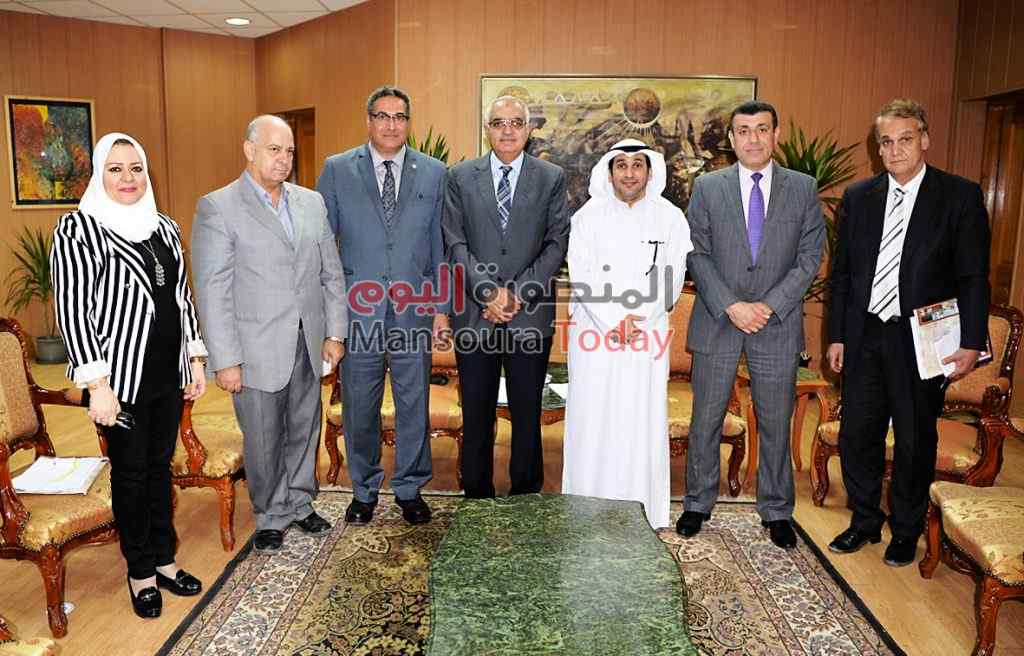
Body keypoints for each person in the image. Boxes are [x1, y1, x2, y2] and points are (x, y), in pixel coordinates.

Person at [825, 99, 991, 567]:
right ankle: (864, 521)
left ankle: (905, 528)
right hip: (865, 335)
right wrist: (837, 336)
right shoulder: (859, 197)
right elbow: (843, 275)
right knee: (858, 434)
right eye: (886, 142)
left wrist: (971, 342)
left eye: (905, 139)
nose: (895, 150)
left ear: (925, 140)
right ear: (877, 148)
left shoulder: (959, 196)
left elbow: (973, 277)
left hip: (921, 339)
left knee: (915, 439)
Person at [51, 132, 207, 619]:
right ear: (99, 174)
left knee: (160, 469)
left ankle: (164, 558)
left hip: (166, 374)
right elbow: (74, 310)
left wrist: (194, 358)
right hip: (118, 382)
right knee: (132, 474)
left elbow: (181, 298)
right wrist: (97, 385)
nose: (128, 178)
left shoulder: (164, 226)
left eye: (136, 168)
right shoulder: (79, 230)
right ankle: (140, 570)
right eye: (115, 169)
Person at [192, 115, 348, 554]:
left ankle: (300, 502)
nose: (283, 159)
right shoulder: (219, 207)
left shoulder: (311, 202)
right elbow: (213, 289)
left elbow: (331, 274)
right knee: (263, 436)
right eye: (274, 149)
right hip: (254, 348)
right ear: (249, 150)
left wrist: (335, 333)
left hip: (308, 341)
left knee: (304, 426)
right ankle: (271, 513)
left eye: (289, 151)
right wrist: (226, 359)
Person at [678, 101, 824, 549]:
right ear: (732, 139)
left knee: (776, 421)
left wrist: (769, 305)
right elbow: (695, 251)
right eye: (744, 131)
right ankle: (697, 503)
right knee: (706, 419)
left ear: (776, 135)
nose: (753, 139)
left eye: (762, 129)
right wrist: (732, 306)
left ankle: (777, 510)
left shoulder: (803, 187)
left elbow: (809, 258)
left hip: (776, 324)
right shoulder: (708, 187)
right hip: (718, 320)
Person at [316, 86, 448, 526]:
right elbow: (323, 247)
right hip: (358, 312)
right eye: (382, 116)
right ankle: (364, 489)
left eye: (399, 117)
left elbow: (440, 246)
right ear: (368, 120)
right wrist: (331, 318)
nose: (391, 125)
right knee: (360, 405)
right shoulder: (338, 169)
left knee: (414, 402)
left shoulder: (434, 172)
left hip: (415, 310)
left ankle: (410, 488)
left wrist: (441, 309)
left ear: (408, 122)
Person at [443, 95, 570, 498]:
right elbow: (454, 242)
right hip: (474, 315)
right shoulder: (460, 176)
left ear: (529, 129)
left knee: (527, 413)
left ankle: (525, 497)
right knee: (477, 413)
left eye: (516, 122)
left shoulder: (550, 177)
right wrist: (487, 293)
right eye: (499, 123)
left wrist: (515, 296)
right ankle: (476, 497)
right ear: (488, 129)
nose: (508, 130)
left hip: (528, 315)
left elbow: (556, 243)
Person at [561, 139, 692, 529]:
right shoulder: (587, 217)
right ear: (610, 171)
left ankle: (642, 509)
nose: (630, 173)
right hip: (595, 336)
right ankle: (585, 508)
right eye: (621, 165)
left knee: (639, 419)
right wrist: (612, 320)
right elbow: (581, 275)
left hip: (646, 336)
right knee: (593, 418)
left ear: (650, 171)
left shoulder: (670, 218)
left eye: (638, 165)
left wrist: (637, 318)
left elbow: (672, 276)